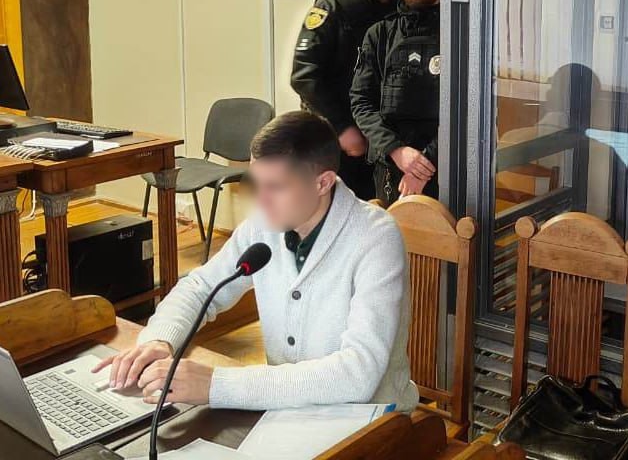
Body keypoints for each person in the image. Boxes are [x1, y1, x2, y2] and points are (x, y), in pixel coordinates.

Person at [93, 111, 418, 412]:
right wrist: (160, 339)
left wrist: (216, 385)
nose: (260, 201)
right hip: (290, 413)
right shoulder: (265, 224)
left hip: (371, 420)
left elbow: (358, 374)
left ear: (323, 182)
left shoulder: (375, 238)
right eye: (256, 183)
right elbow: (200, 287)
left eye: (275, 187)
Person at [290, 0, 401, 199]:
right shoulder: (334, 5)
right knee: (333, 208)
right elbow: (305, 76)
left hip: (382, 135)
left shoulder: (404, 7)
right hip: (338, 136)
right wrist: (342, 128)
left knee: (377, 210)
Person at [350, 0, 441, 205]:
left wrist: (424, 164)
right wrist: (397, 151)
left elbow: (466, 110)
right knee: (393, 230)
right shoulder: (380, 34)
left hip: (446, 166)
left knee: (447, 232)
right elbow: (361, 102)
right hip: (392, 164)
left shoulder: (460, 33)